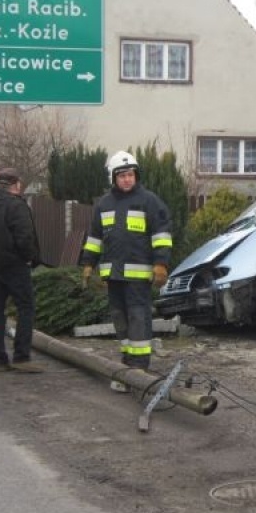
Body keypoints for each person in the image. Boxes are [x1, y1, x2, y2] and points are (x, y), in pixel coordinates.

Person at [80, 151, 172, 385]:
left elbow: (161, 234)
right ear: (113, 178)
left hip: (139, 276)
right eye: (121, 176)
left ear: (136, 175)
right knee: (120, 318)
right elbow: (95, 238)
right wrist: (88, 263)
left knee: (138, 317)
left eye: (130, 175)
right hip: (113, 275)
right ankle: (127, 359)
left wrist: (161, 264)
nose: (127, 179)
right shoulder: (104, 204)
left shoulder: (149, 201)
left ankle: (140, 367)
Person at [0, 168, 43, 372]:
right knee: (26, 307)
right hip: (14, 265)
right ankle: (22, 357)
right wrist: (30, 258)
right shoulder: (17, 206)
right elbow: (24, 237)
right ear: (16, 184)